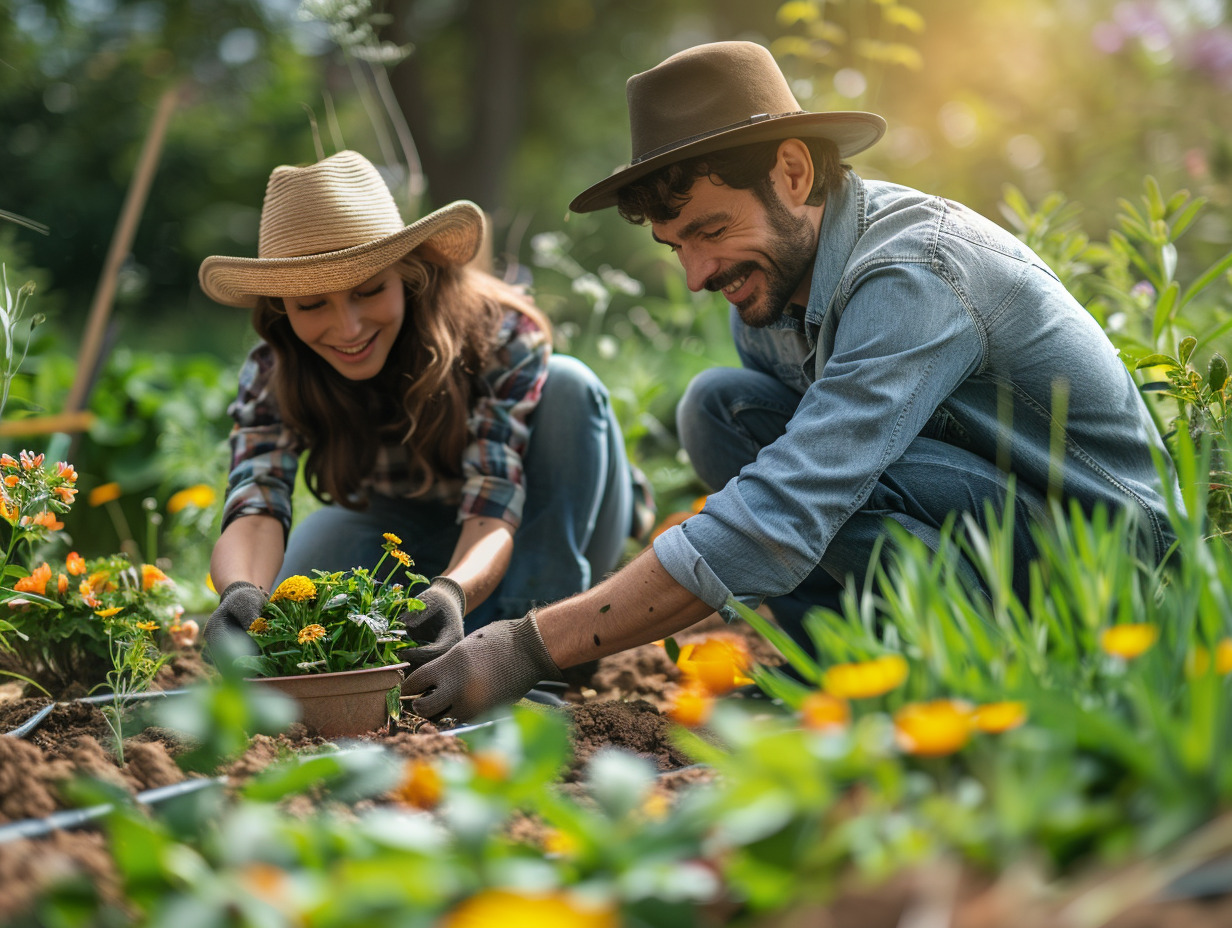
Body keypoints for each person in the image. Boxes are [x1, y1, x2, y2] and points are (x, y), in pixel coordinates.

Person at [404, 40, 1184, 721]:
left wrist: (529, 644)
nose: (697, 274)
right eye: (678, 245)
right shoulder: (774, 282)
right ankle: (838, 670)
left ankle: (957, 674)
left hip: (1107, 565)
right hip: (991, 516)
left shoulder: (913, 275)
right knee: (718, 409)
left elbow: (783, 508)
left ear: (793, 170)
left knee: (806, 488)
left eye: (711, 231)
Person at [198, 149, 651, 670]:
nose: (347, 329)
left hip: (545, 526)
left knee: (571, 385)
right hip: (422, 540)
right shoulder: (275, 370)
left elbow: (492, 509)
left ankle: (544, 645)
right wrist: (238, 592)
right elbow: (255, 506)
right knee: (319, 549)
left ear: (408, 275)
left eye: (369, 291)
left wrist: (451, 594)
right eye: (312, 304)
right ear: (281, 308)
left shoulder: (497, 335)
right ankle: (450, 645)